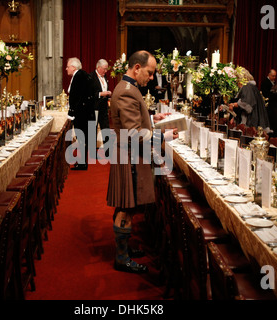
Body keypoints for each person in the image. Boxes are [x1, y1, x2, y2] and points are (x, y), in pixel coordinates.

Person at [107, 50, 178, 274]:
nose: (150, 77)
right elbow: (135, 133)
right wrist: (163, 137)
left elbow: (136, 121)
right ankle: (121, 258)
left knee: (128, 204)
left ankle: (125, 250)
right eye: (149, 73)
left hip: (128, 154)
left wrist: (151, 118)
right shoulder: (128, 91)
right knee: (127, 206)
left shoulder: (128, 88)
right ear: (136, 68)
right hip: (129, 156)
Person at [67, 57, 95, 170]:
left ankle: (82, 163)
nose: (66, 69)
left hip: (82, 114)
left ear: (73, 67)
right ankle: (82, 162)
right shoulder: (83, 74)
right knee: (83, 138)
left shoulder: (78, 76)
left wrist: (71, 112)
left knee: (81, 138)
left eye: (68, 66)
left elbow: (75, 96)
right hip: (86, 112)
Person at [228, 67, 271, 133]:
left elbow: (247, 106)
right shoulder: (251, 87)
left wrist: (233, 105)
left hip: (252, 122)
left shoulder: (247, 87)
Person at [90, 59, 112, 154]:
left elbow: (104, 87)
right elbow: (89, 94)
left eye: (107, 69)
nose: (106, 71)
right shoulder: (91, 77)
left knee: (106, 128)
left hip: (103, 107)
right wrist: (100, 94)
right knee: (93, 129)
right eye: (104, 69)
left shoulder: (104, 76)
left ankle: (108, 151)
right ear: (98, 68)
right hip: (94, 107)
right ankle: (92, 152)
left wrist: (108, 94)